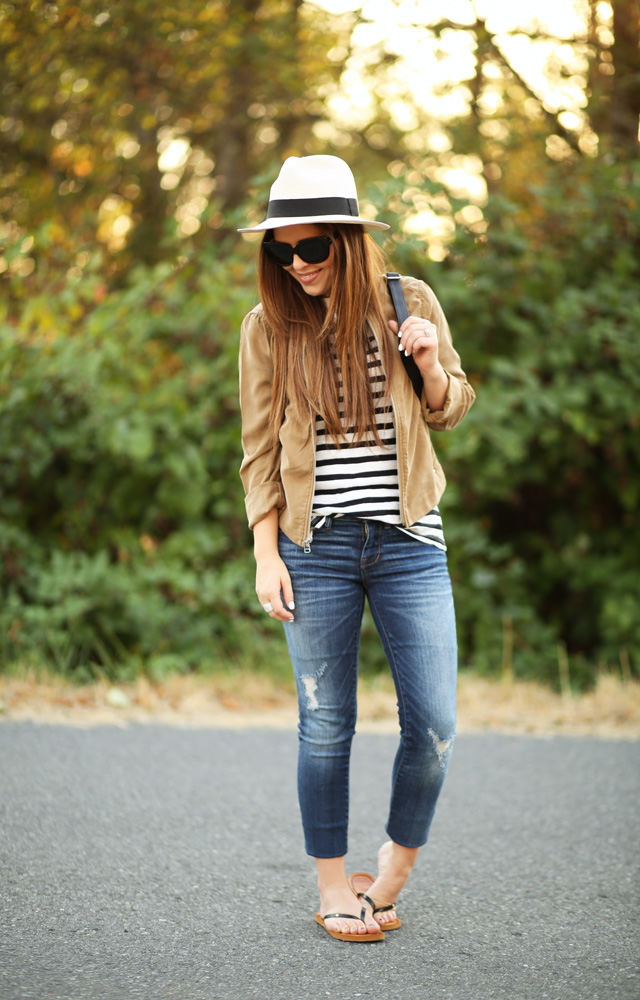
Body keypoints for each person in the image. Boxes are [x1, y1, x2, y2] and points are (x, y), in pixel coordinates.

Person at [237, 155, 475, 942]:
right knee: (325, 723)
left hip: (410, 543)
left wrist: (432, 361)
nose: (297, 264)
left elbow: (449, 408)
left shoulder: (409, 301)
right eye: (283, 251)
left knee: (434, 722)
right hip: (315, 549)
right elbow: (258, 453)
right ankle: (335, 887)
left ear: (350, 240)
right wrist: (268, 555)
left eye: (314, 248)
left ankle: (395, 867)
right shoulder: (268, 327)